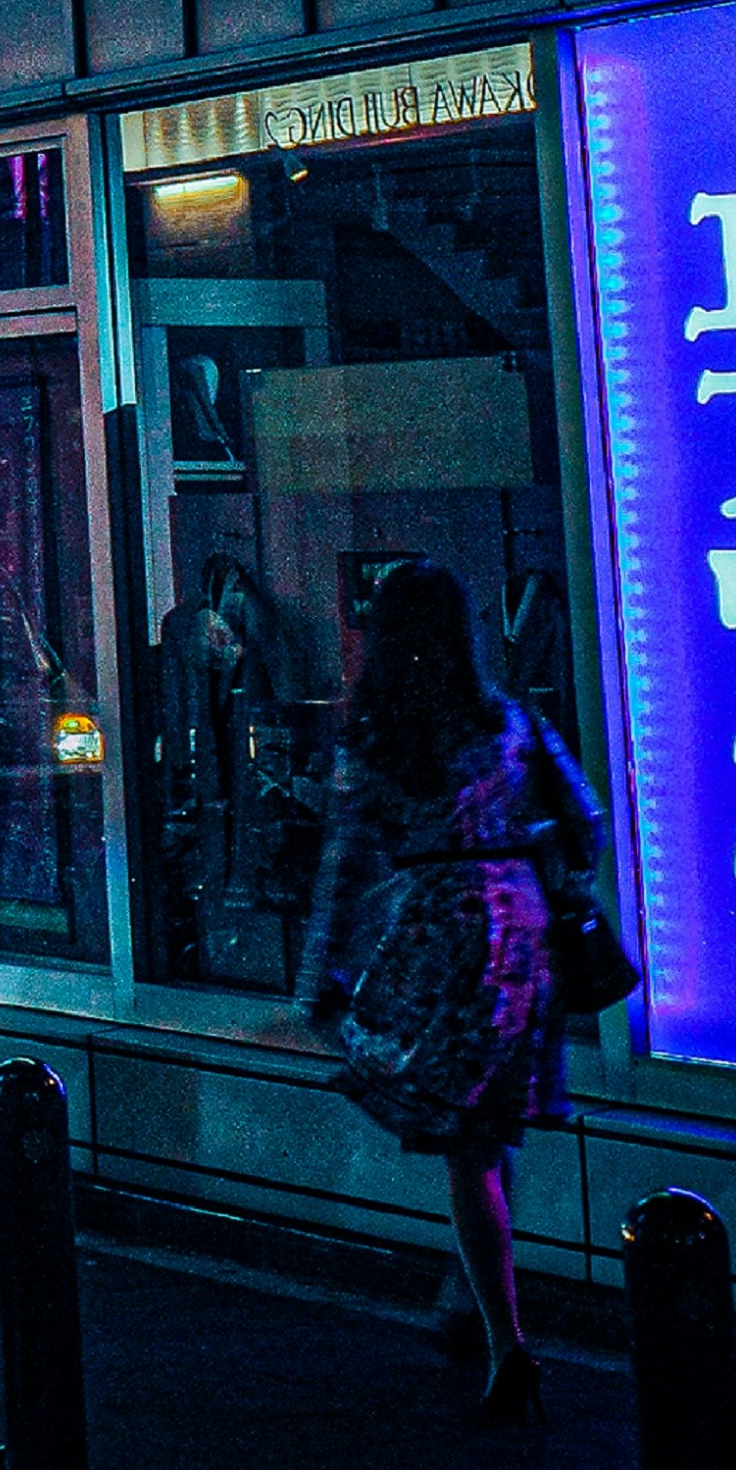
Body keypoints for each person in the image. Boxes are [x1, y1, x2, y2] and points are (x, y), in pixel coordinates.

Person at [302, 562, 604, 1421]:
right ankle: (468, 1293)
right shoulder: (508, 719)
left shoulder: (382, 737)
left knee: (464, 1143)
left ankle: (506, 1342)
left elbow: (345, 864)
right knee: (489, 1128)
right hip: (527, 932)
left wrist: (319, 980)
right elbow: (583, 821)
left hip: (443, 939)